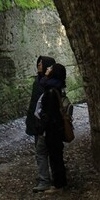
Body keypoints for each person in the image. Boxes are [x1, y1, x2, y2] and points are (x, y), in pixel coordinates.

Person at [25, 55, 56, 192]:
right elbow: (34, 104)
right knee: (41, 150)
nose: (39, 65)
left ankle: (46, 180)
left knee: (44, 151)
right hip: (37, 122)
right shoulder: (38, 81)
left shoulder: (48, 83)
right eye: (38, 63)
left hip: (46, 123)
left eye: (41, 64)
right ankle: (46, 177)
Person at [37, 62, 68, 193]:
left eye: (50, 68)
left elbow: (48, 114)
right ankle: (60, 182)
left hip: (52, 129)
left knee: (55, 156)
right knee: (56, 155)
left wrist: (42, 128)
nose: (47, 68)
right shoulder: (56, 86)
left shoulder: (50, 90)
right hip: (56, 127)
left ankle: (58, 185)